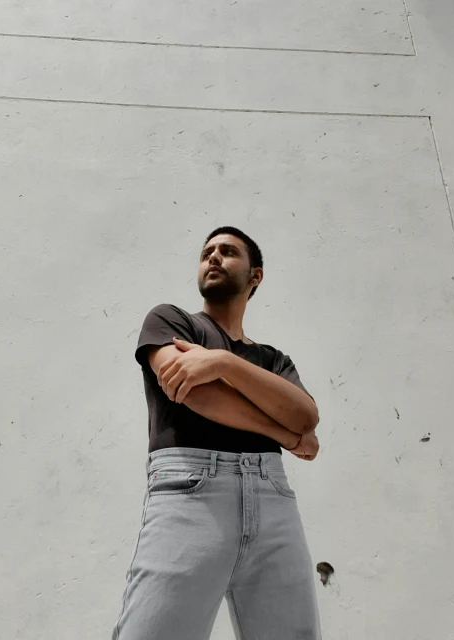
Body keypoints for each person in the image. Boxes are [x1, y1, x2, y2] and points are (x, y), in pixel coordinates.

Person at [111, 226, 322, 639]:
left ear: (255, 275)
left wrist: (223, 363)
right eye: (207, 251)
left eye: (228, 251)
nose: (213, 257)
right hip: (190, 493)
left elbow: (305, 416)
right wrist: (279, 430)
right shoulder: (171, 321)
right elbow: (195, 394)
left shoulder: (274, 360)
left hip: (272, 500)